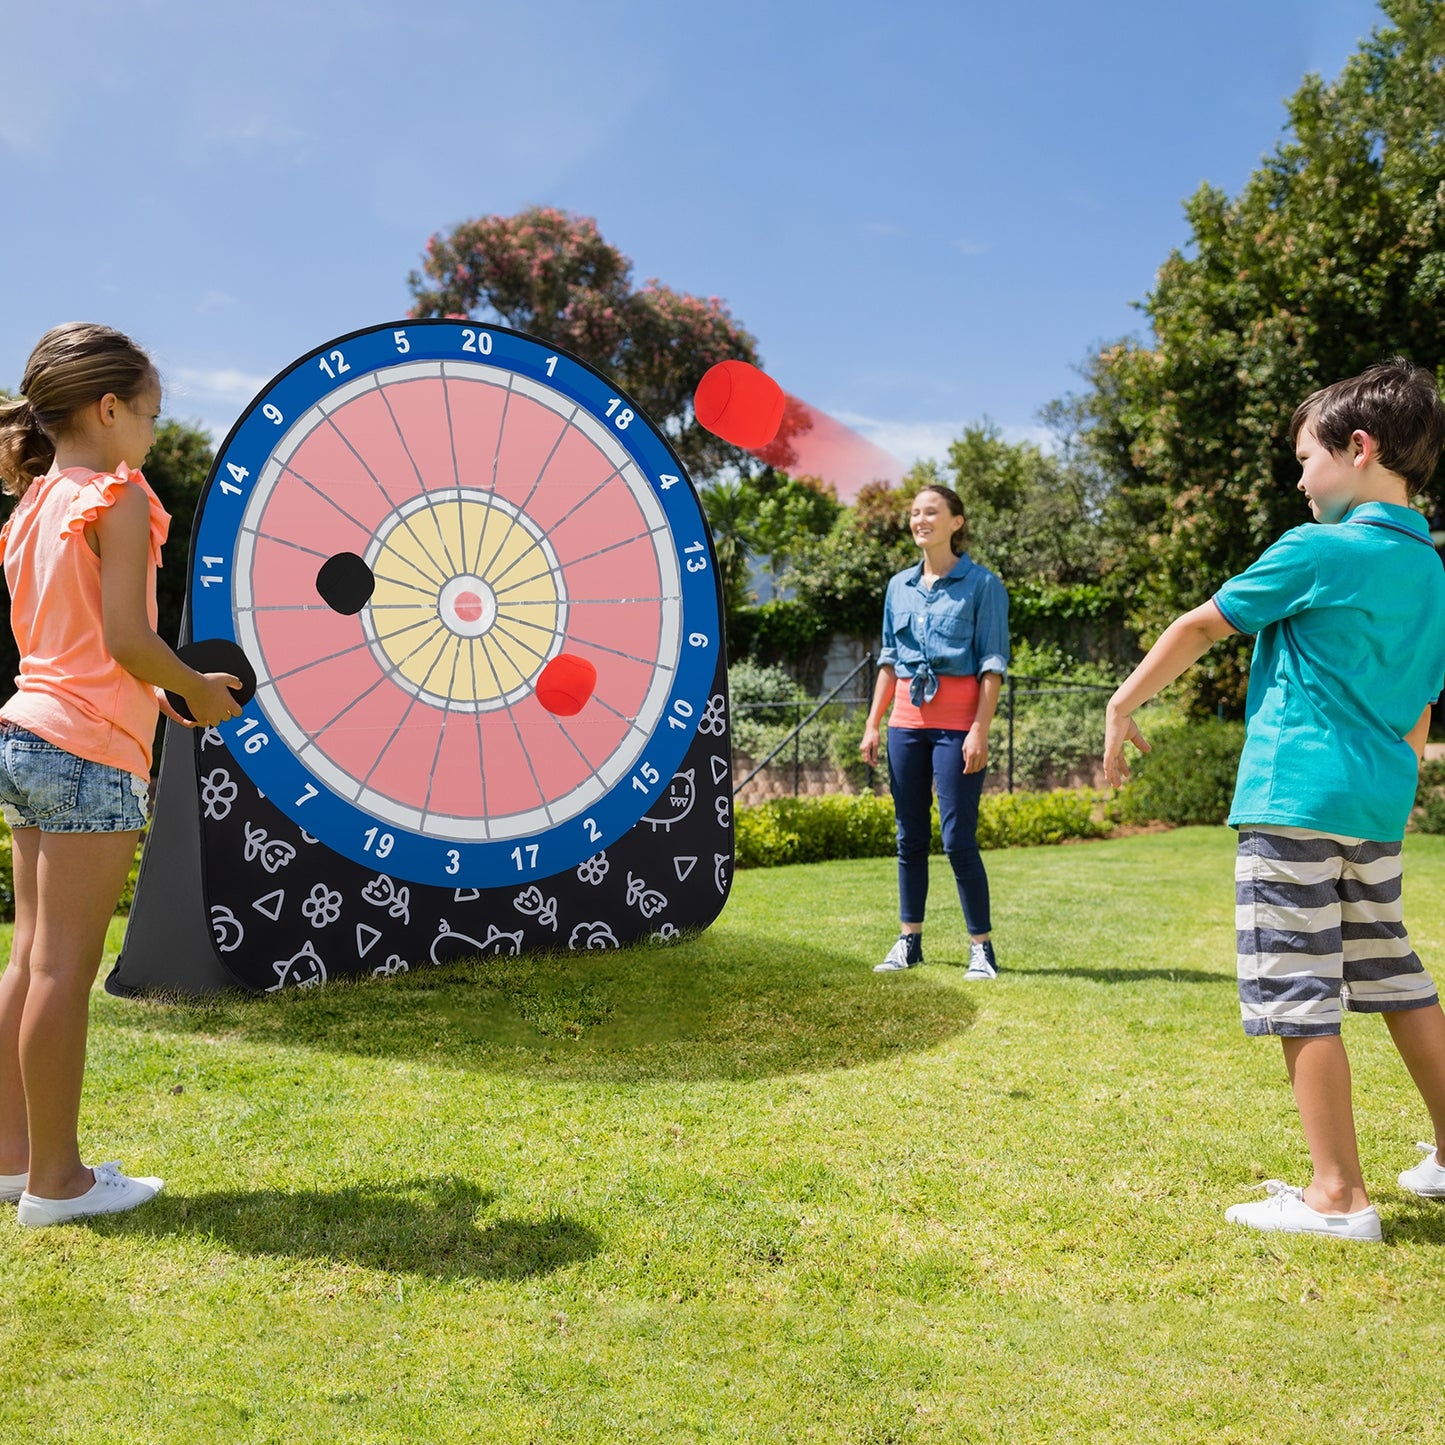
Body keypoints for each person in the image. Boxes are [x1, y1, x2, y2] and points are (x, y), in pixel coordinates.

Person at [1103, 358, 1445, 1242]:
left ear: (1357, 448)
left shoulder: (1318, 549)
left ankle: (1336, 1195)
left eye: (1305, 458)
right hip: (1373, 807)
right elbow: (1417, 706)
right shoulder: (1430, 572)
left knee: (1299, 989)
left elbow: (1199, 624)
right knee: (1394, 979)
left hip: (1293, 795)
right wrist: (1389, 791)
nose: (1298, 477)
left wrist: (1120, 703)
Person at [0, 324, 241, 1227]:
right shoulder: (120, 493)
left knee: (28, 958)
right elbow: (128, 642)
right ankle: (58, 1183)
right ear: (107, 410)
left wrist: (164, 694)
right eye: (148, 414)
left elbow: (74, 649)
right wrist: (198, 690)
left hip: (26, 733)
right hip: (88, 749)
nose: (149, 433)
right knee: (66, 967)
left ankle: (14, 1156)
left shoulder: (31, 505)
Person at [860, 484, 1009, 978]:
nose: (920, 520)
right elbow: (887, 661)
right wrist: (873, 724)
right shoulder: (898, 586)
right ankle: (909, 941)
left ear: (956, 522)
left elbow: (992, 665)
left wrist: (979, 731)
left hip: (957, 726)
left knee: (958, 838)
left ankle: (982, 949)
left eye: (932, 512)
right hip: (906, 724)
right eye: (915, 513)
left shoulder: (983, 585)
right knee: (909, 838)